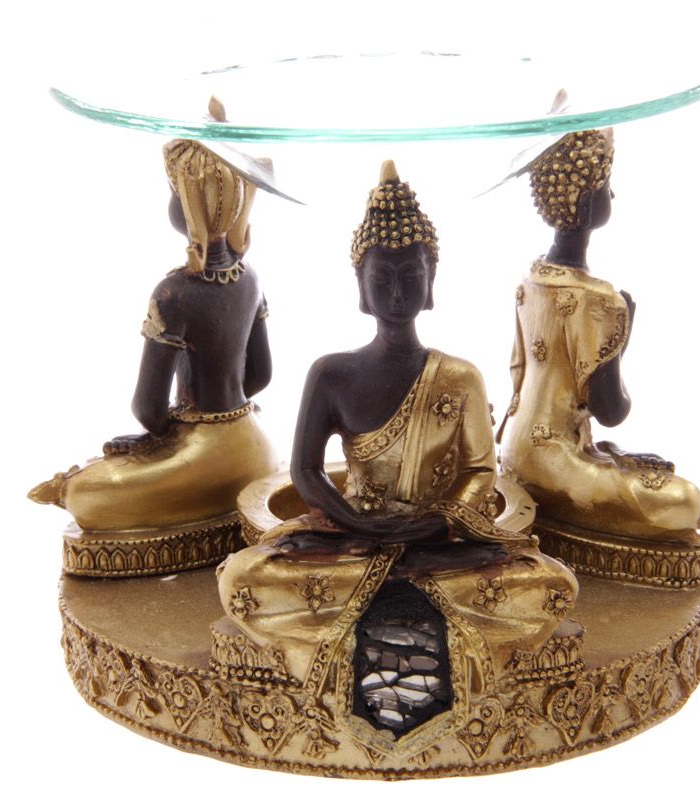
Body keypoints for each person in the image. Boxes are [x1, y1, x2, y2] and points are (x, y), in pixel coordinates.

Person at [217, 161, 578, 687]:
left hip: (437, 543)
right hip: (350, 538)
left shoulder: (460, 377)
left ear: (431, 282)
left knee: (551, 583)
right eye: (381, 279)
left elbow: (481, 473)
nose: (395, 293)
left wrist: (434, 524)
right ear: (360, 286)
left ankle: (383, 603)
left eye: (411, 277)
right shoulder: (331, 373)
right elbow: (306, 472)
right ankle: (408, 607)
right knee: (244, 577)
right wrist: (357, 524)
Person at [29, 139, 279, 532]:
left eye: (174, 193)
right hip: (255, 446)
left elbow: (148, 409)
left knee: (83, 491)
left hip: (203, 453)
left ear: (189, 205)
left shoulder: (175, 293)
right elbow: (260, 376)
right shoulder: (251, 278)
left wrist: (159, 439)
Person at [498, 129, 700, 543]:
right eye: (608, 187)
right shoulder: (601, 300)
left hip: (512, 452)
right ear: (589, 202)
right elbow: (611, 410)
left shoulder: (530, 278)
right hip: (557, 465)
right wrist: (621, 340)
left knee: (634, 464)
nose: (613, 195)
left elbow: (520, 376)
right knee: (686, 501)